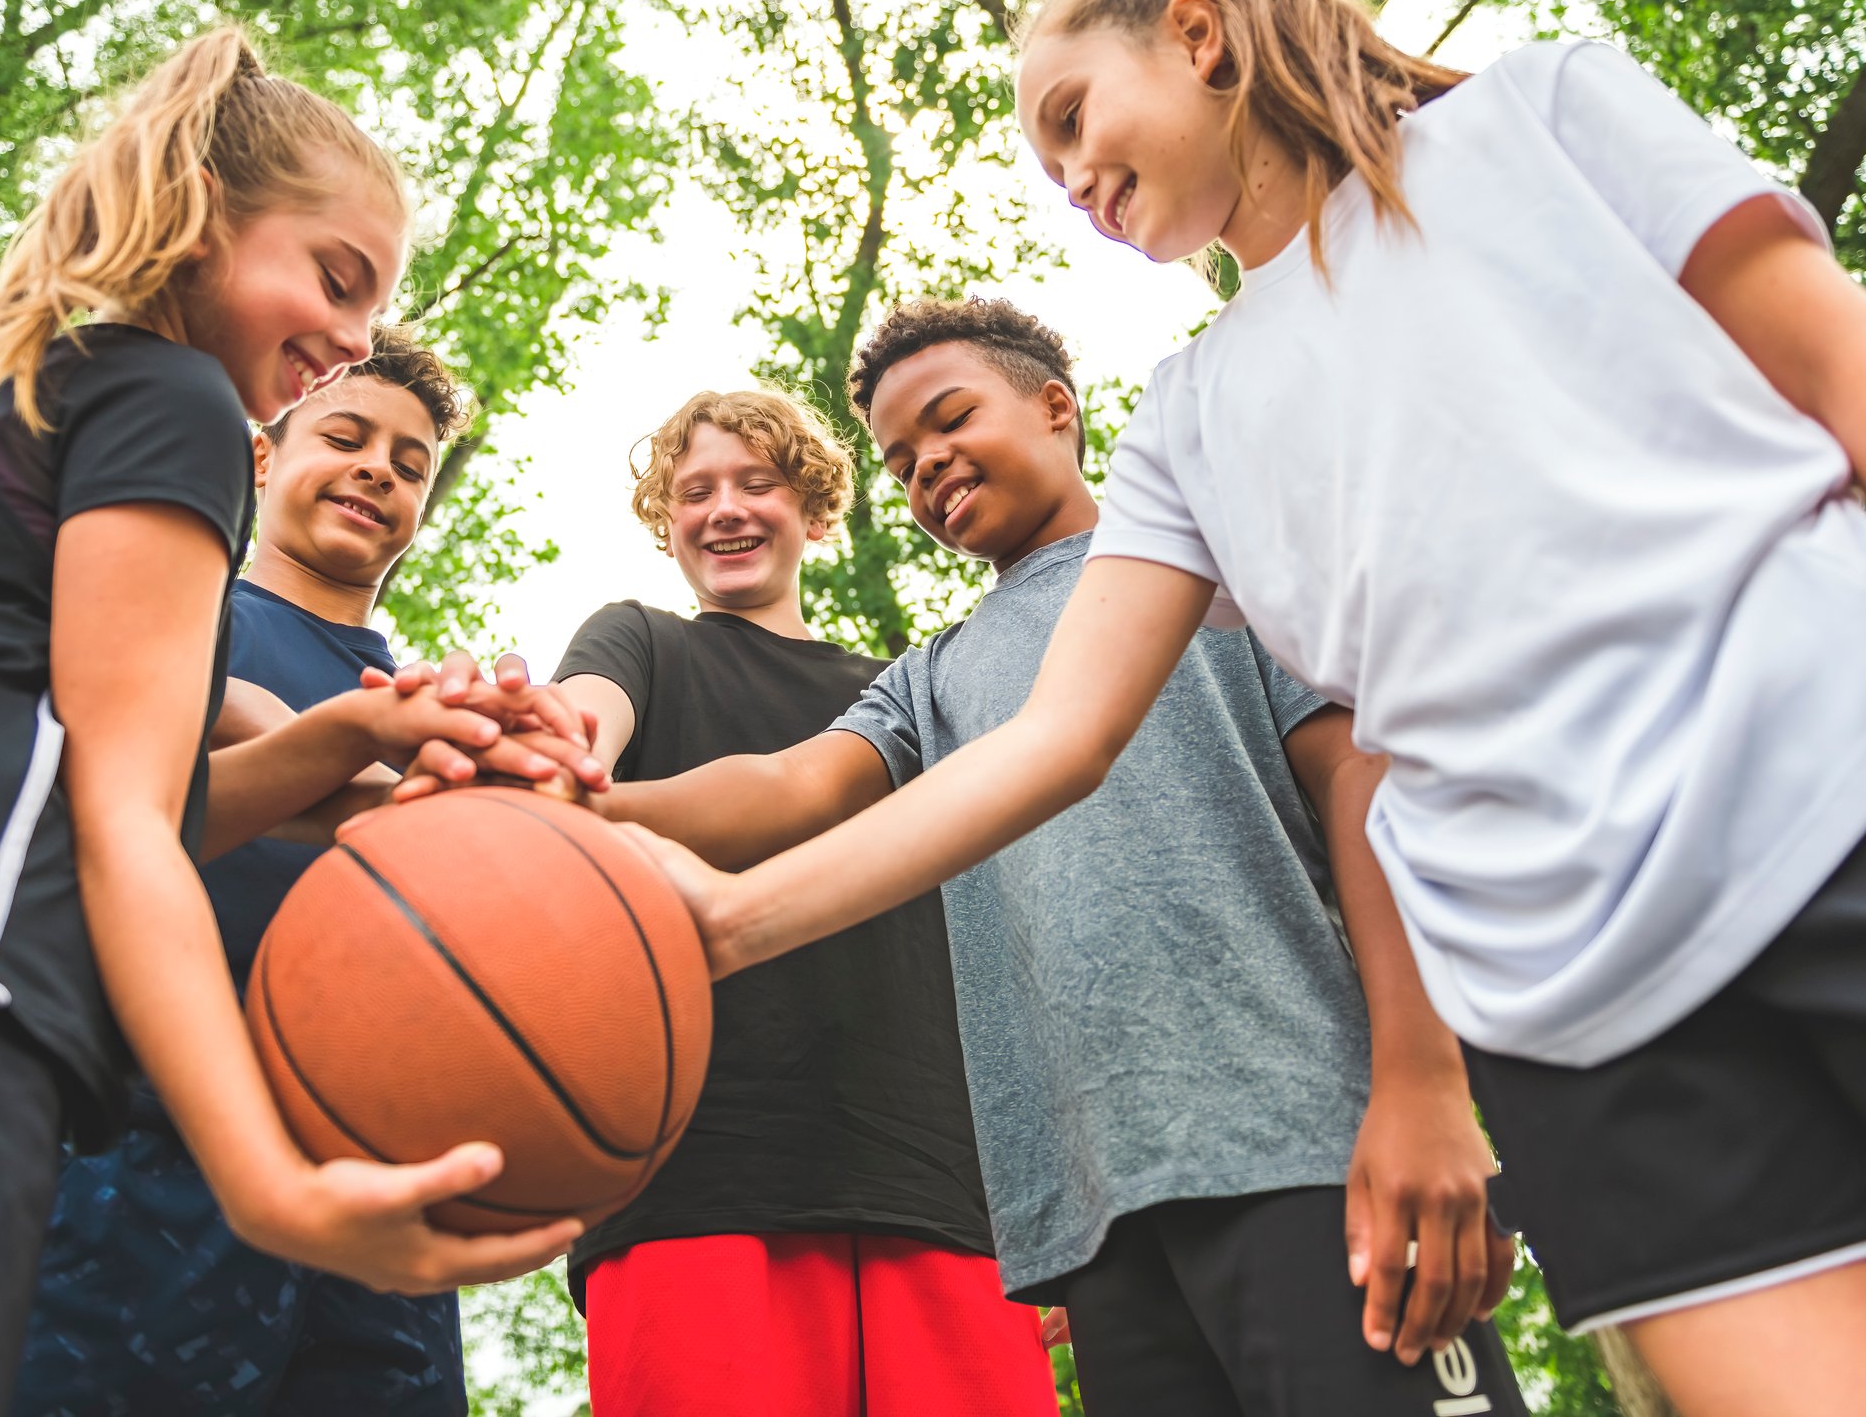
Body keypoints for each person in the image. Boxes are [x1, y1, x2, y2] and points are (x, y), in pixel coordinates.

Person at [616, 0, 1866, 1417]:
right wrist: (726, 924)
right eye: (1045, 161)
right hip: (1582, 1009)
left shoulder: (1539, 120)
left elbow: (1862, 382)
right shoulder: (1193, 421)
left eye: (1074, 115)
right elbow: (1050, 744)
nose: (1070, 174)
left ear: (1201, 36)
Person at [0, 29, 585, 1417]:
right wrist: (270, 1184)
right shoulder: (170, 391)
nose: (359, 339)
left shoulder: (77, 387)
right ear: (206, 221)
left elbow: (80, 784)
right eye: (337, 278)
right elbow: (121, 827)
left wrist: (343, 743)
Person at [566, 301, 1526, 1417]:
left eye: (951, 417)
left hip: (1309, 1152)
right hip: (1096, 1232)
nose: (929, 465)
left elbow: (1368, 794)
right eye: (901, 459)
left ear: (1056, 407)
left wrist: (1424, 1082)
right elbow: (784, 786)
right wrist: (575, 802)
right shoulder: (930, 678)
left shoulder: (1224, 571)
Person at [548, 388, 1055, 1417]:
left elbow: (1010, 952)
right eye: (695, 492)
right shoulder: (643, 642)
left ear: (816, 513)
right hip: (696, 1176)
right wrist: (549, 751)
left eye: (756, 483)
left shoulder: (912, 696)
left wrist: (1051, 1191)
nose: (724, 508)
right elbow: (577, 737)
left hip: (939, 1187)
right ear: (668, 524)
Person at [15, 329, 485, 1417]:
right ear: (265, 458)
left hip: (374, 1178)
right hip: (144, 1142)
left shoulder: (435, 708)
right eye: (347, 435)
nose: (380, 467)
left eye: (411, 465)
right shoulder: (181, 608)